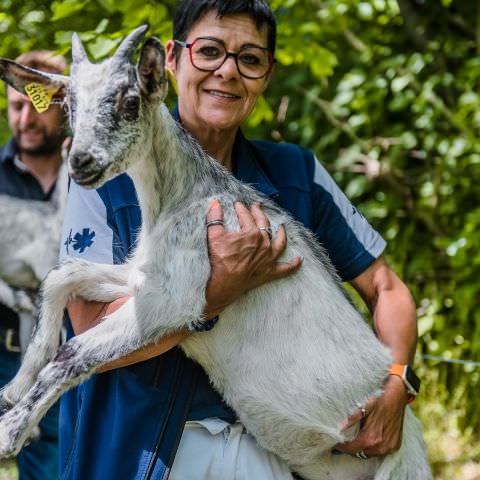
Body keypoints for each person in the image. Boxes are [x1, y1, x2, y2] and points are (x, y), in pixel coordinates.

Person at [59, 1, 419, 479]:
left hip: (273, 455)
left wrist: (396, 383)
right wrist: (213, 296)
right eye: (209, 51)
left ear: (266, 75)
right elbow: (88, 331)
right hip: (148, 455)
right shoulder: (107, 177)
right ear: (170, 60)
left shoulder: (296, 173)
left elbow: (387, 289)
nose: (227, 72)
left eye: (249, 59)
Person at [0, 50, 67, 480]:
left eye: (38, 104)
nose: (26, 118)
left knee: (56, 463)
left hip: (67, 356)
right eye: (16, 105)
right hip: (3, 349)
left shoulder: (91, 178)